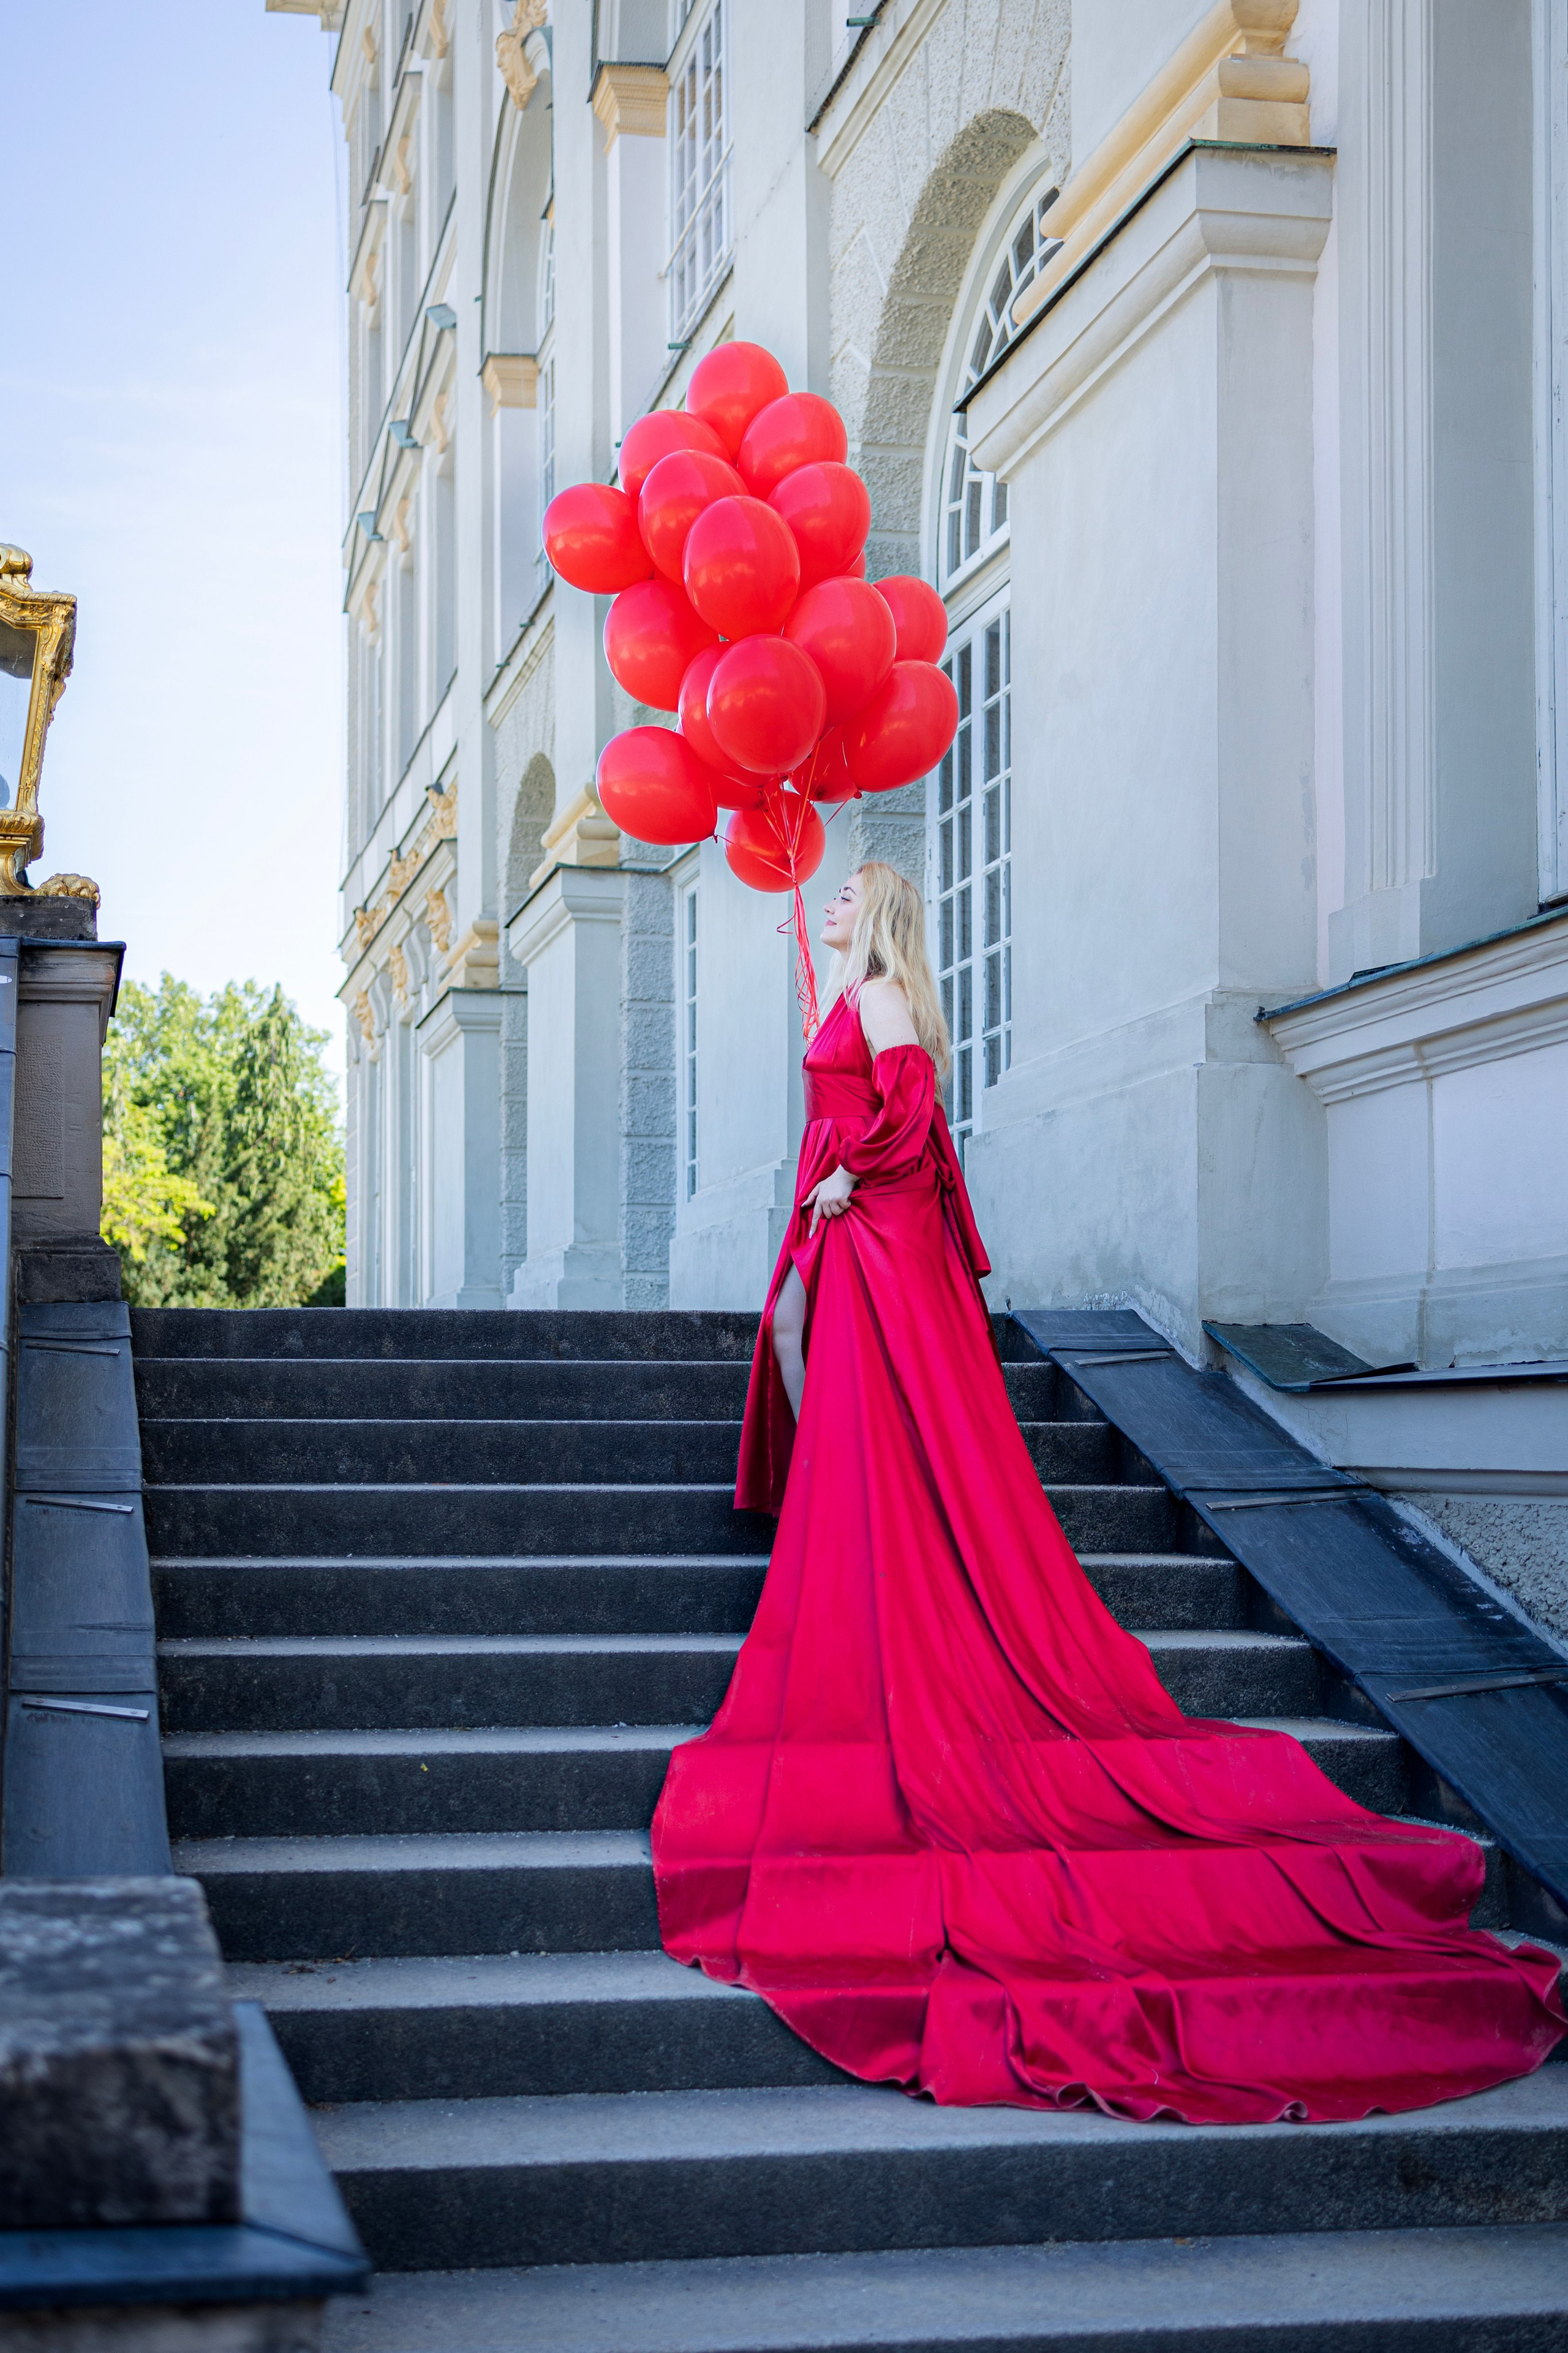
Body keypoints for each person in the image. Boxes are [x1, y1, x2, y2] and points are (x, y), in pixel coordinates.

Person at [651, 862, 1564, 2123]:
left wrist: (844, 1179)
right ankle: (840, 1501)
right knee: (802, 1347)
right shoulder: (855, 989)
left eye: (852, 890)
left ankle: (856, 1510)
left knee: (828, 1359)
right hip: (848, 1224)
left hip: (863, 1222)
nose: (839, 900)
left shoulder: (885, 1000)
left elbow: (910, 1116)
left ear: (884, 912)